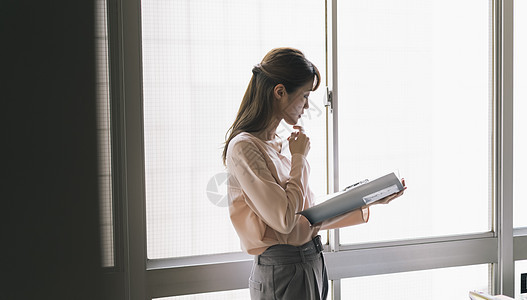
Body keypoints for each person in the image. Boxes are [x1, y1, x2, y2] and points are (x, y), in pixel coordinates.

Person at [223, 47, 405, 300]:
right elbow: (284, 220)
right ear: (279, 92)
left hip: (310, 261)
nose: (307, 105)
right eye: (305, 95)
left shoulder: (278, 142)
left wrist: (368, 198)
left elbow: (305, 217)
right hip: (284, 270)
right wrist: (299, 158)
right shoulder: (245, 147)